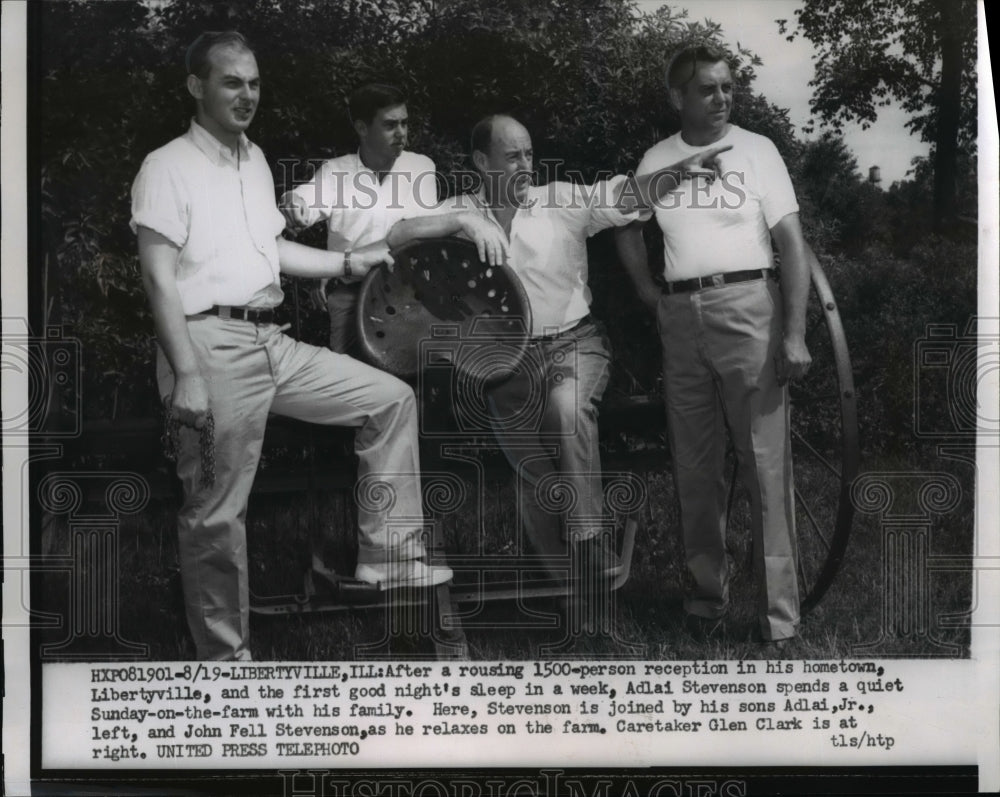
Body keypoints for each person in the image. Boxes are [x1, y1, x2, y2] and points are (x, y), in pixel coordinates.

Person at [130, 31, 466, 661]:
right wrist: (187, 373)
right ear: (196, 87)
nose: (247, 94)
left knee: (390, 400)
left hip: (271, 341)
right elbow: (156, 275)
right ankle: (227, 664)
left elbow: (273, 250)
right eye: (232, 81)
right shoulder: (166, 166)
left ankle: (387, 558)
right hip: (208, 346)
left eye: (254, 82)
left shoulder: (253, 161)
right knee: (214, 512)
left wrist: (346, 264)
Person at [387, 114, 727, 625]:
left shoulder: (560, 200)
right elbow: (398, 235)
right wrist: (461, 223)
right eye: (513, 155)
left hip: (574, 345)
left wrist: (680, 170)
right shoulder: (459, 212)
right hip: (505, 361)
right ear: (482, 162)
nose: (527, 164)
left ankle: (588, 540)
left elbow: (626, 197)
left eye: (529, 153)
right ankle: (577, 598)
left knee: (567, 413)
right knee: (532, 474)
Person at [615, 43, 814, 647]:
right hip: (680, 317)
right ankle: (705, 601)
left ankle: (781, 619)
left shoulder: (758, 151)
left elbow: (792, 244)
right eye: (707, 89)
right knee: (694, 467)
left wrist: (796, 332)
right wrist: (651, 293)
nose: (722, 98)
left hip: (749, 308)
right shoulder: (656, 158)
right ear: (677, 96)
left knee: (764, 465)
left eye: (728, 86)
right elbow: (625, 222)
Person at [279, 83, 438, 354]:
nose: (401, 133)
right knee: (349, 383)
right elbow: (303, 201)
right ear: (362, 128)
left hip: (410, 296)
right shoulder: (335, 171)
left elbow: (411, 236)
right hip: (352, 299)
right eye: (390, 125)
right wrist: (293, 203)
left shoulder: (421, 167)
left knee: (412, 384)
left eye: (404, 123)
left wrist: (332, 268)